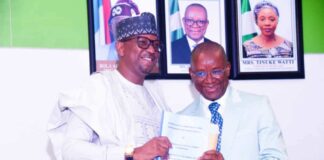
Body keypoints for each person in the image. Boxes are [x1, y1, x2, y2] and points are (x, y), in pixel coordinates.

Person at [47, 13, 171, 160]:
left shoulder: (156, 95)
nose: (152, 50)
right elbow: (71, 150)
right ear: (120, 48)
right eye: (143, 42)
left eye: (156, 45)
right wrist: (132, 154)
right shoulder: (99, 86)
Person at [179, 41, 288, 159]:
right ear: (191, 74)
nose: (209, 80)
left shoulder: (258, 107)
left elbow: (277, 157)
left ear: (227, 69)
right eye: (201, 73)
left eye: (216, 71)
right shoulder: (181, 120)